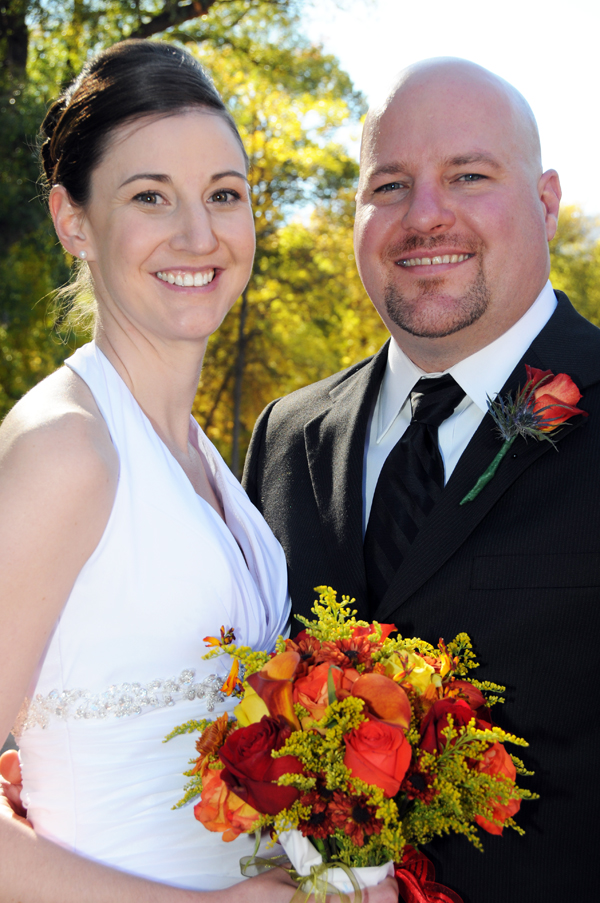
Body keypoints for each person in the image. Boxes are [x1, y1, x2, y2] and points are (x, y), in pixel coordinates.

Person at [0, 39, 397, 903]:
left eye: (225, 195)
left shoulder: (204, 454)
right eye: (151, 196)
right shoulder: (66, 445)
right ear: (74, 220)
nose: (200, 234)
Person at [243, 59, 600, 902]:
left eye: (468, 175)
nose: (424, 215)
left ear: (546, 202)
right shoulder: (287, 435)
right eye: (390, 185)